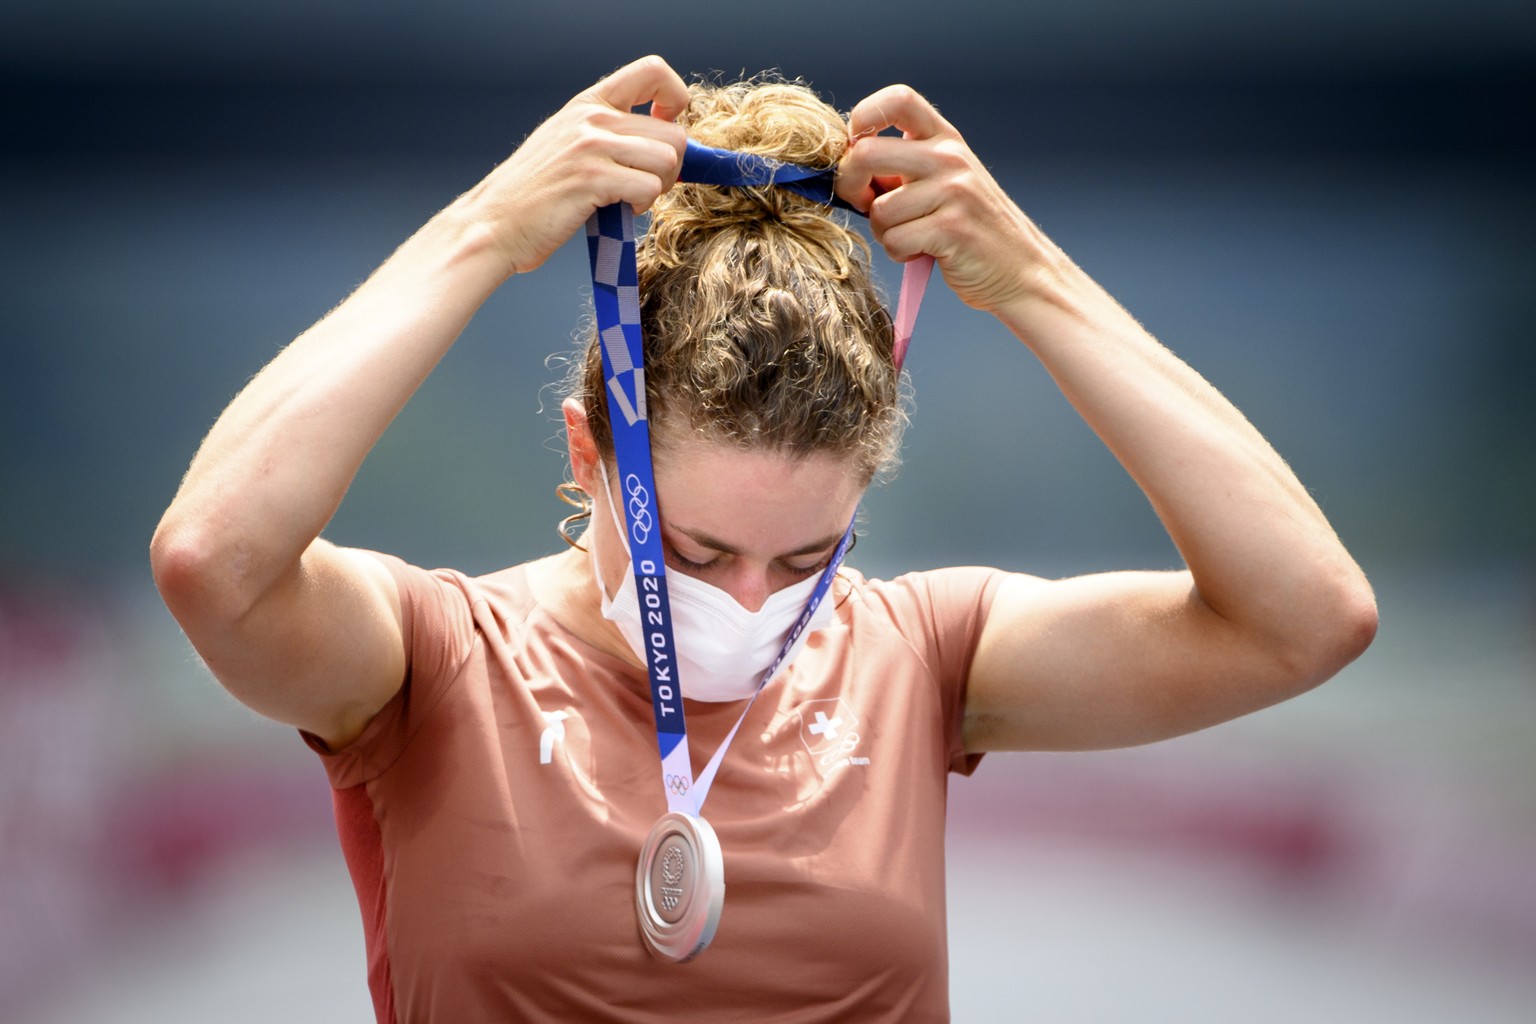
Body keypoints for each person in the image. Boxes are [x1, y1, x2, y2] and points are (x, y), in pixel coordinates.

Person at [150, 55, 1377, 1023]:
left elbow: (1307, 618)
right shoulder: (432, 660)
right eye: (694, 551)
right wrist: (485, 229)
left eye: (805, 560)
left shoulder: (920, 656)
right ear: (591, 454)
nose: (750, 604)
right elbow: (215, 561)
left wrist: (1033, 276)